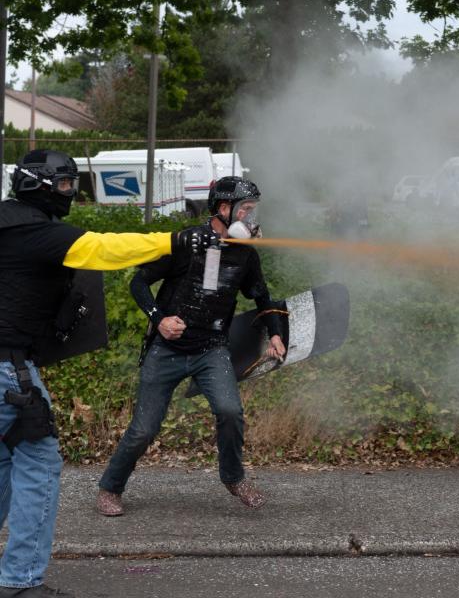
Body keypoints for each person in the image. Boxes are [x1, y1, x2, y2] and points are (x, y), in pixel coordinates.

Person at [0, 149, 218, 597]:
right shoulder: (35, 233)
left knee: (4, 462)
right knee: (38, 464)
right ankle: (21, 582)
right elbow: (103, 248)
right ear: (36, 185)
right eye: (62, 186)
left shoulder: (7, 223)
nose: (68, 194)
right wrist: (174, 242)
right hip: (8, 370)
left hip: (8, 365)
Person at [97, 176, 286, 517]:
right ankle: (110, 487)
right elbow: (139, 282)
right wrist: (159, 318)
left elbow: (262, 297)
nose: (251, 218)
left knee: (230, 411)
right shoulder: (188, 242)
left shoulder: (245, 255)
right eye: (245, 210)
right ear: (224, 209)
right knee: (144, 430)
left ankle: (233, 478)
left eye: (253, 211)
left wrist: (275, 333)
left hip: (211, 349)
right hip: (166, 350)